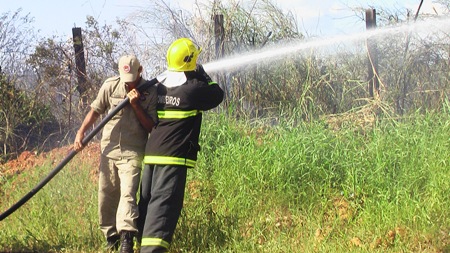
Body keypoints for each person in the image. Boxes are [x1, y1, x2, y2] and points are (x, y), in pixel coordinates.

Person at [137, 38, 224, 253]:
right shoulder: (193, 88)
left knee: (147, 204)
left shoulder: (160, 86)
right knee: (162, 208)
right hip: (172, 157)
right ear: (190, 61)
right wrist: (203, 74)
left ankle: (140, 245)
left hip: (151, 156)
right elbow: (217, 94)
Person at [74, 55, 157, 253]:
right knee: (106, 195)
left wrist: (136, 105)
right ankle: (111, 237)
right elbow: (95, 110)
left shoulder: (150, 91)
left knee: (128, 193)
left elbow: (151, 127)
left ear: (140, 71)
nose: (129, 83)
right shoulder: (110, 86)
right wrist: (81, 131)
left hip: (133, 151)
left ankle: (126, 238)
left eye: (133, 78)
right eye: (125, 77)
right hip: (109, 150)